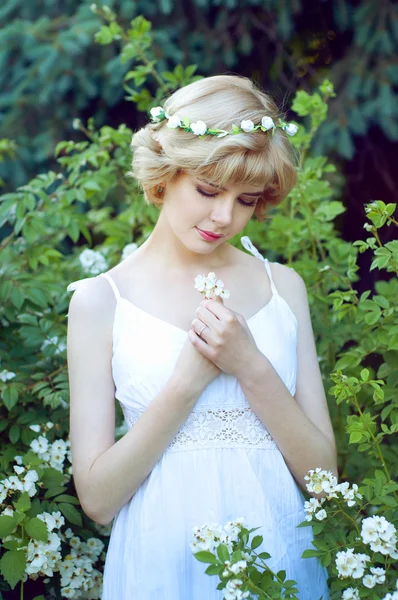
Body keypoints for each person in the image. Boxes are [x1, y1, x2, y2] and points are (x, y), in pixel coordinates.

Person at [66, 74, 337, 599]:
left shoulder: (282, 289)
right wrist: (185, 384)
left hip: (279, 556)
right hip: (161, 564)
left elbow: (323, 480)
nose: (224, 217)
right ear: (165, 174)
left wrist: (250, 366)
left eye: (246, 200)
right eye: (209, 190)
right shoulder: (100, 302)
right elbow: (97, 501)